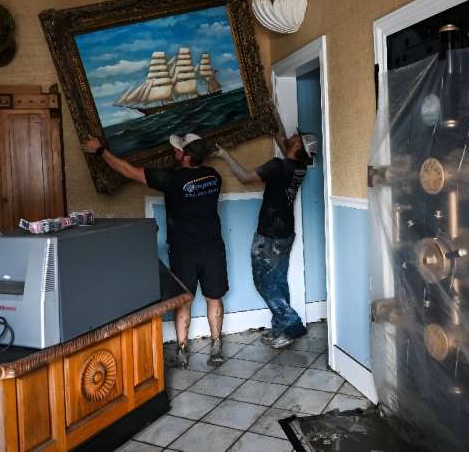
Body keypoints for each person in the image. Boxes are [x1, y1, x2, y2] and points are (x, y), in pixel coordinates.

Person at [82, 133, 228, 368]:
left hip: (184, 251)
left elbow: (128, 171)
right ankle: (216, 347)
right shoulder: (214, 176)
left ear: (186, 156)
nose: (174, 152)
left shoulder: (172, 180)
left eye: (178, 150)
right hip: (213, 247)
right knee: (214, 297)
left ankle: (182, 353)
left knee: (184, 300)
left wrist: (101, 150)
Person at [214, 129, 319, 349]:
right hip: (285, 232)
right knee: (278, 282)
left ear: (297, 147)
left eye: (295, 137)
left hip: (270, 234)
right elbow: (286, 147)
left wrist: (224, 155)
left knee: (264, 282)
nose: (290, 135)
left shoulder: (278, 166)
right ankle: (281, 328)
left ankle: (292, 325)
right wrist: (273, 119)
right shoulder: (299, 167)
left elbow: (244, 178)